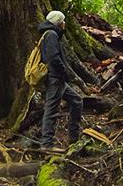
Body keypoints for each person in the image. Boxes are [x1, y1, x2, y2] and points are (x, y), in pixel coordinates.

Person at [38, 10, 83, 150]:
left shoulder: (51, 34)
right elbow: (53, 58)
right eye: (63, 21)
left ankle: (74, 137)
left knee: (77, 101)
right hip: (55, 78)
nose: (64, 24)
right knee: (51, 111)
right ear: (58, 23)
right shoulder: (51, 35)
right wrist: (64, 71)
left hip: (59, 79)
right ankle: (46, 145)